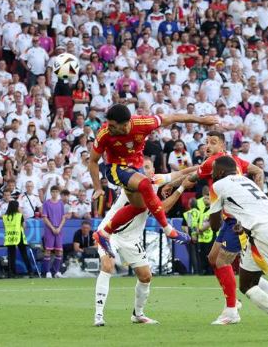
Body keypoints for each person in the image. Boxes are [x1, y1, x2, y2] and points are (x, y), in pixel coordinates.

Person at [90, 104, 217, 253]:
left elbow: (173, 117)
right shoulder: (104, 133)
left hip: (135, 170)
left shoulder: (143, 123)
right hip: (115, 168)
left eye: (112, 125)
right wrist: (98, 187)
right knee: (145, 184)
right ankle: (169, 230)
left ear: (125, 124)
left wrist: (200, 120)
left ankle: (104, 233)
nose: (108, 127)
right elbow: (93, 160)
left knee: (140, 207)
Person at [168, 130, 263, 325]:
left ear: (222, 146)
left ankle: (231, 311)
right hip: (231, 218)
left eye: (213, 142)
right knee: (213, 258)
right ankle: (233, 301)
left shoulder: (213, 161)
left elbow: (191, 177)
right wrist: (258, 196)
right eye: (206, 142)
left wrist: (173, 186)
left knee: (221, 261)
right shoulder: (235, 160)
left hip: (237, 220)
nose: (208, 146)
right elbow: (258, 172)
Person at [208, 156, 268, 341]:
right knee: (255, 278)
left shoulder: (218, 186)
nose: (211, 173)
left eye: (213, 169)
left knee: (246, 285)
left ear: (220, 172)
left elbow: (214, 225)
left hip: (262, 231)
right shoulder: (245, 180)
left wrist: (220, 219)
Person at [94, 159, 196, 326]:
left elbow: (182, 173)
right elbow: (161, 209)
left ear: (153, 170)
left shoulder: (155, 180)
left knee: (145, 276)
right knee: (107, 265)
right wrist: (182, 188)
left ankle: (138, 314)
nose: (144, 170)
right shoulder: (132, 185)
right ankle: (98, 316)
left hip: (131, 238)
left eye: (148, 167)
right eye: (142, 167)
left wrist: (206, 165)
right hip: (109, 233)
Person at [2, 200, 34, 277]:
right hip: (19, 237)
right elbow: (24, 226)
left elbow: (4, 227)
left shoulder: (5, 217)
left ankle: (11, 273)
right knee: (24, 255)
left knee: (11, 256)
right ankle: (30, 271)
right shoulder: (19, 215)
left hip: (10, 237)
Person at [41, 186, 67, 278]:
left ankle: (56, 271)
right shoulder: (46, 203)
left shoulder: (61, 203)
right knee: (48, 250)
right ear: (50, 192)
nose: (54, 193)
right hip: (49, 229)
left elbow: (64, 217)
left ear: (58, 193)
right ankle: (47, 272)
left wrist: (59, 228)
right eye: (53, 192)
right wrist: (52, 228)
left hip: (59, 229)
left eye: (56, 191)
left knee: (59, 251)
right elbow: (44, 218)